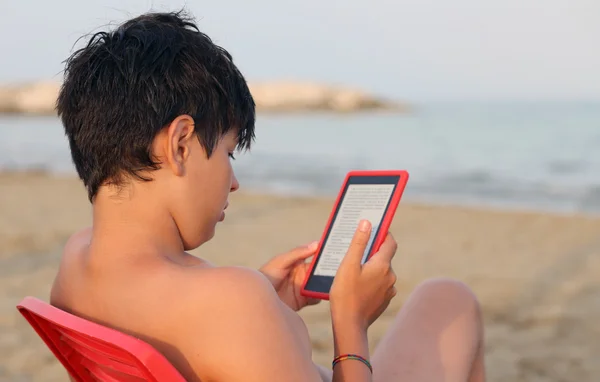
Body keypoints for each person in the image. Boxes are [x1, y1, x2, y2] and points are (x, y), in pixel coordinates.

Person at [50, 10, 486, 382]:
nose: (234, 181)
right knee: (452, 300)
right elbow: (215, 318)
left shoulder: (75, 264)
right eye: (227, 152)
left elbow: (196, 342)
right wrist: (350, 322)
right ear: (180, 144)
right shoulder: (231, 302)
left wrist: (268, 306)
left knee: (444, 297)